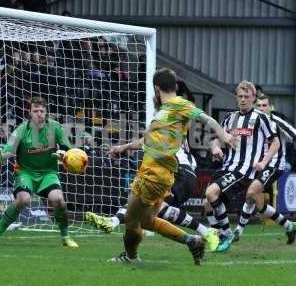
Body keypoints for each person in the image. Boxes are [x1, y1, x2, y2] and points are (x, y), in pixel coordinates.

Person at [108, 68, 233, 264]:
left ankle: (127, 250)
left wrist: (223, 135)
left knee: (133, 220)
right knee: (147, 220)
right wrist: (124, 147)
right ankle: (192, 240)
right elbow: (147, 139)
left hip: (158, 172)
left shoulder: (178, 104)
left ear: (156, 88)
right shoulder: (165, 112)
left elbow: (206, 118)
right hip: (163, 173)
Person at [86, 140, 220, 252]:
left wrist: (121, 148)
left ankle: (113, 222)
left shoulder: (167, 122)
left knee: (147, 205)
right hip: (181, 173)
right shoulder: (173, 123)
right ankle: (200, 236)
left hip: (177, 173)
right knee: (146, 213)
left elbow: (145, 141)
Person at [0, 97, 78, 248]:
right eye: (36, 111)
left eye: (42, 111)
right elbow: (8, 151)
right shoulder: (22, 129)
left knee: (58, 200)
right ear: (30, 112)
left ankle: (65, 237)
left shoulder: (56, 127)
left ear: (46, 113)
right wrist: (0, 157)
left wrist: (65, 155)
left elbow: (68, 149)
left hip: (48, 173)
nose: (39, 114)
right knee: (23, 199)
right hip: (26, 172)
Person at [206, 81, 281, 252]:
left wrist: (263, 162)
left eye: (246, 97)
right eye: (240, 96)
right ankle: (219, 234)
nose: (243, 100)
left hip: (244, 170)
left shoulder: (260, 118)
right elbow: (217, 138)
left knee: (211, 193)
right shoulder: (230, 118)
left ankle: (226, 234)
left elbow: (275, 142)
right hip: (227, 166)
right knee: (207, 204)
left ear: (253, 98)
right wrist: (216, 147)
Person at [231, 95, 296, 243]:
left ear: (270, 108)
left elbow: (294, 134)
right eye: (258, 106)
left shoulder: (276, 121)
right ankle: (289, 226)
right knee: (257, 203)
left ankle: (238, 232)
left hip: (274, 164)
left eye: (264, 105)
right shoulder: (252, 122)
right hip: (256, 165)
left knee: (251, 193)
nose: (261, 108)